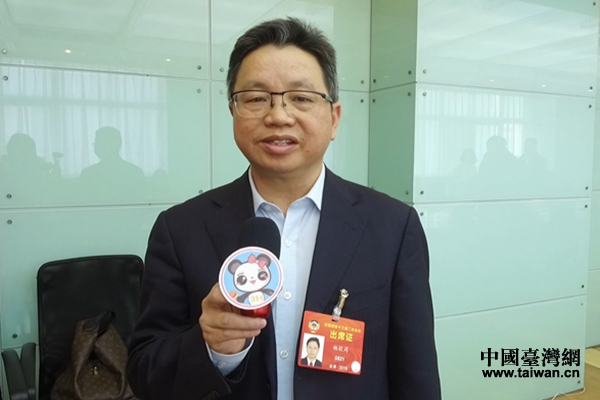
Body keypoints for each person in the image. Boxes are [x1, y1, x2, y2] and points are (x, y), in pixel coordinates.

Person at [127, 17, 441, 400]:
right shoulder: (180, 229)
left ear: (334, 118)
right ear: (233, 111)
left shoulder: (392, 227)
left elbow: (416, 375)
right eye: (256, 98)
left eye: (301, 98)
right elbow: (145, 373)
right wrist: (212, 347)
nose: (278, 116)